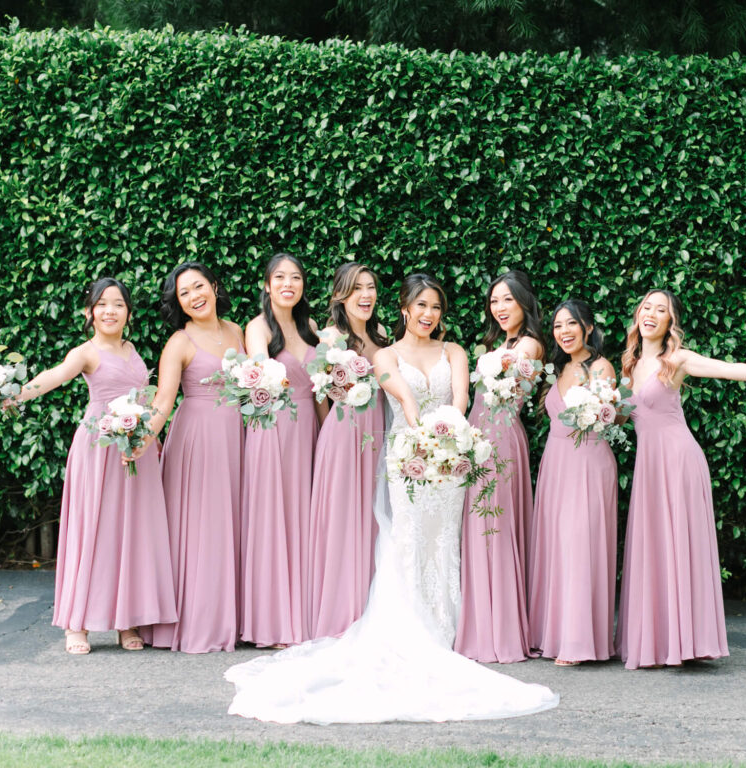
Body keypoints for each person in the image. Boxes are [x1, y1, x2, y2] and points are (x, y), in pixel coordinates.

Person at [224, 273, 559, 723]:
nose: (428, 315)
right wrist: (421, 431)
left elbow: (460, 399)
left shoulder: (456, 352)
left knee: (448, 543)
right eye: (420, 306)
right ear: (404, 309)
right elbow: (399, 393)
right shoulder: (384, 353)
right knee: (409, 541)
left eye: (436, 307)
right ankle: (413, 628)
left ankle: (455, 630)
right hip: (408, 458)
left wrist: (448, 436)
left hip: (449, 457)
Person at [616, 289, 746, 669]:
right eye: (647, 307)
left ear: (671, 322)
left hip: (679, 461)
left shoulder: (679, 359)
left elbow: (728, 368)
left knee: (678, 545)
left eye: (661, 310)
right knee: (655, 546)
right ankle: (660, 641)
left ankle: (687, 641)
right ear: (638, 316)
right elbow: (622, 419)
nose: (652, 313)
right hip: (649, 468)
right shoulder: (628, 365)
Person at [12, 277, 176, 654]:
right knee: (92, 529)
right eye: (102, 304)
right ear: (90, 312)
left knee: (132, 531)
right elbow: (54, 376)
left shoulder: (133, 349)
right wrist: (17, 394)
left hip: (136, 445)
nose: (110, 311)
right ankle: (77, 624)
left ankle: (127, 621)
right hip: (98, 446)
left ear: (128, 312)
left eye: (118, 304)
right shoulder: (85, 352)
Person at [139, 262, 246, 653]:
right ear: (179, 303)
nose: (194, 296)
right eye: (184, 293)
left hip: (238, 436)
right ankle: (197, 621)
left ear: (215, 287)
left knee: (232, 524)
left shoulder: (238, 331)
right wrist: (142, 439)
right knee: (202, 526)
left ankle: (230, 620)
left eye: (199, 287)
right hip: (197, 440)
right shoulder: (179, 343)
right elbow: (163, 402)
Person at [455, 270, 543, 663]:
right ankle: (481, 625)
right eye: (494, 301)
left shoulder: (529, 345)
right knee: (478, 527)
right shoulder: (499, 342)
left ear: (523, 301)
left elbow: (503, 384)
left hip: (501, 440)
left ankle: (500, 632)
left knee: (494, 528)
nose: (500, 307)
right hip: (479, 438)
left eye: (508, 299)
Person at [528, 299, 618, 666]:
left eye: (571, 324)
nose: (563, 332)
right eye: (557, 326)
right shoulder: (558, 369)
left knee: (581, 546)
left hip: (588, 463)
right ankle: (554, 635)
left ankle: (580, 642)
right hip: (556, 464)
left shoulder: (601, 367)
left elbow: (610, 417)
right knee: (557, 546)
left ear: (588, 327)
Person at [240, 253, 323, 648]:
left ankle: (304, 614)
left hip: (307, 427)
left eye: (296, 278)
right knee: (274, 517)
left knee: (305, 517)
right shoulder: (257, 328)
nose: (288, 284)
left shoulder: (310, 326)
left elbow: (321, 385)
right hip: (271, 426)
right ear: (267, 284)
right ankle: (273, 622)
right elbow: (258, 374)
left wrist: (326, 433)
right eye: (280, 277)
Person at [306, 263, 387, 639]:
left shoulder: (383, 334)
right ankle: (339, 613)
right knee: (342, 521)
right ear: (341, 294)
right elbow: (320, 398)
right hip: (341, 435)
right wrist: (334, 438)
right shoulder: (329, 339)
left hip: (378, 436)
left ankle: (373, 609)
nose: (366, 295)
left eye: (370, 288)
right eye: (357, 289)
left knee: (374, 521)